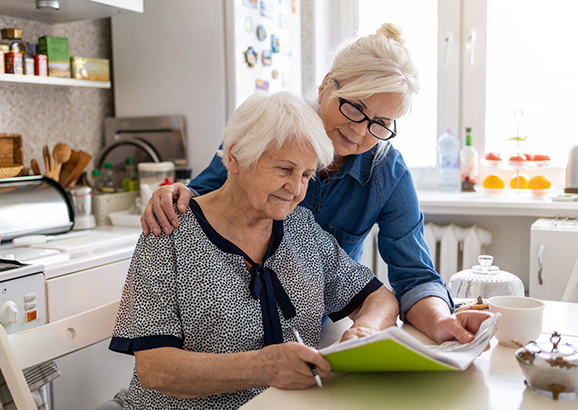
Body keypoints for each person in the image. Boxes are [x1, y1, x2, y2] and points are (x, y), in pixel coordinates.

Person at [140, 23, 491, 344]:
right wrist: (172, 194)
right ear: (326, 85)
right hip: (229, 329)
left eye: (380, 123)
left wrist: (442, 321)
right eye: (355, 107)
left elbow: (414, 276)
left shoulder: (387, 172)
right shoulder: (268, 132)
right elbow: (203, 200)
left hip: (314, 329)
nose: (359, 130)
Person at [109, 91, 399, 409]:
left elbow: (379, 298)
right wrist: (262, 367)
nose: (296, 189)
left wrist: (365, 330)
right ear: (235, 157)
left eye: (306, 175)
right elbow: (155, 369)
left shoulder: (301, 228)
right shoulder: (169, 231)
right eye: (284, 170)